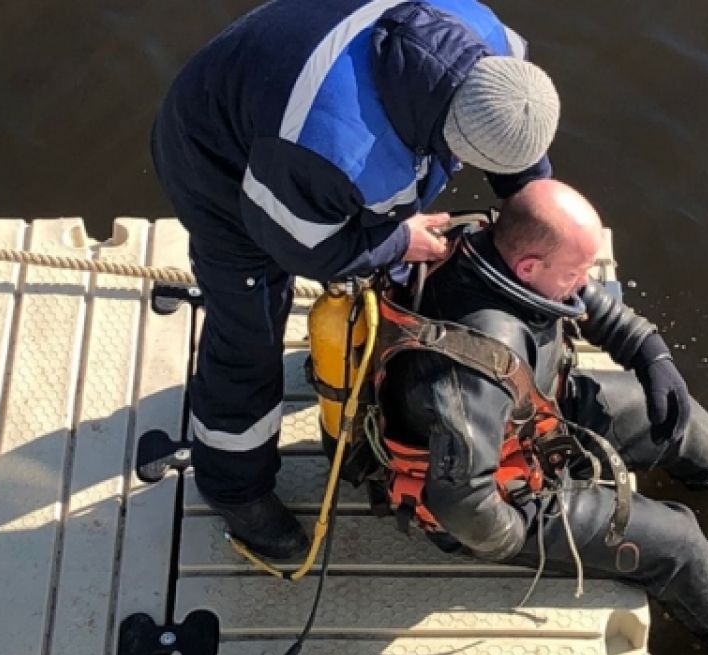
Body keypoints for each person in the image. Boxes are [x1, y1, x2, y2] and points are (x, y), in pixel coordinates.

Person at [374, 179, 708, 655]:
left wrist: (647, 351)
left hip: (531, 416)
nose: (585, 282)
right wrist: (523, 532)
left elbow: (584, 297)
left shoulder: (489, 242)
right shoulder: (476, 364)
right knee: (677, 541)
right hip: (501, 491)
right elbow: (461, 501)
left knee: (675, 415)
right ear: (528, 269)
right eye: (575, 271)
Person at [151, 0, 560, 560]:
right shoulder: (332, 145)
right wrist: (397, 241)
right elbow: (300, 245)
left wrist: (536, 207)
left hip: (283, 113)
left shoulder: (495, 48)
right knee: (248, 331)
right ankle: (234, 489)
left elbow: (518, 158)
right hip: (219, 164)